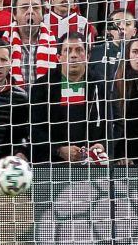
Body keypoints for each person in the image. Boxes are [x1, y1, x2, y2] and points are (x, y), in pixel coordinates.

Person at [27, 33, 108, 165]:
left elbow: (115, 122)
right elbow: (33, 128)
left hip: (91, 165)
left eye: (79, 50)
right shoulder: (42, 86)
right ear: (59, 57)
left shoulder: (101, 84)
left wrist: (103, 144)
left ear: (87, 56)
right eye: (67, 50)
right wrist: (58, 150)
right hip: (51, 165)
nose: (73, 55)